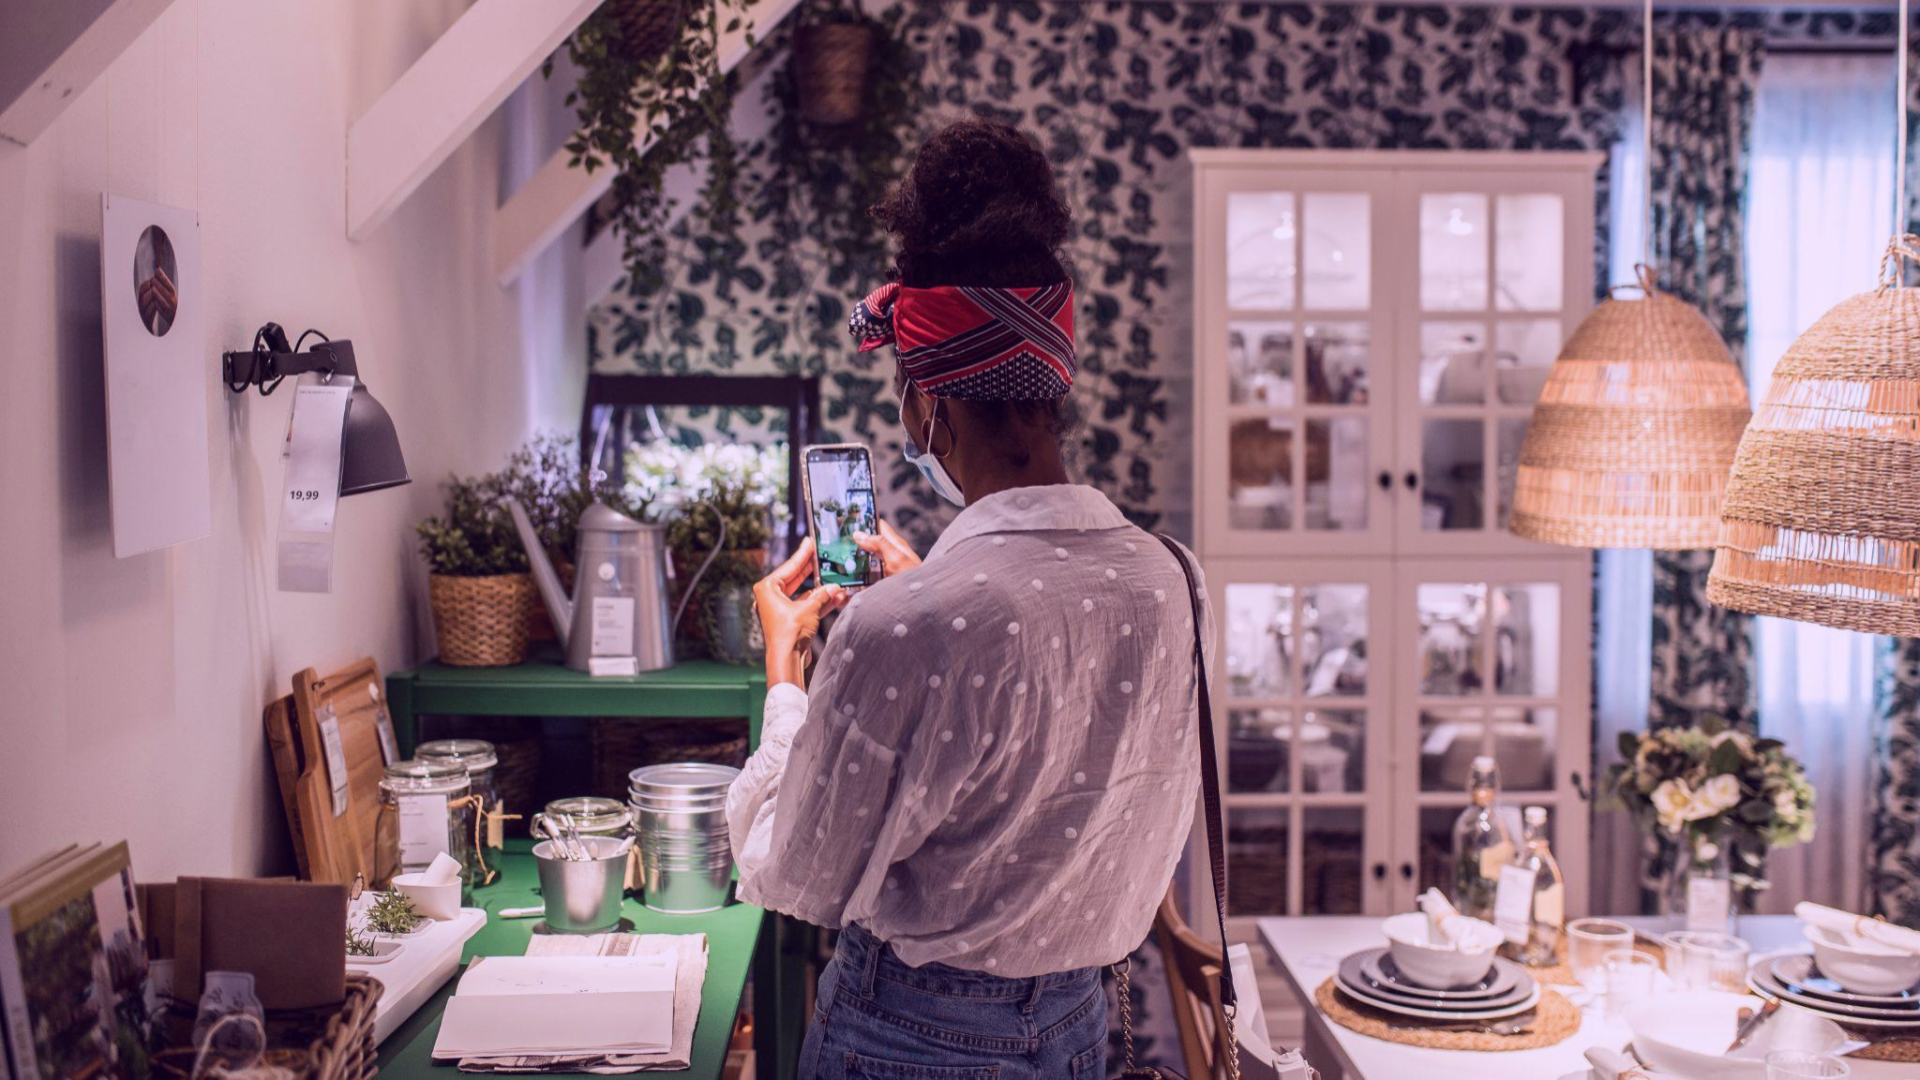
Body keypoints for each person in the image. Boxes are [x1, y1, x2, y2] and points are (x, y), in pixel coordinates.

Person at [726, 120, 1214, 1080]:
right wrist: (935, 615)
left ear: (928, 404)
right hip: (1080, 1028)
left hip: (904, 1040)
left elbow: (794, 875)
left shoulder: (895, 628)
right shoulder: (1174, 578)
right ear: (1053, 385)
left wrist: (786, 673)